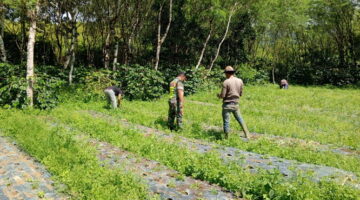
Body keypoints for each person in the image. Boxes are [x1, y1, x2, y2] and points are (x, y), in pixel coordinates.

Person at [218, 66, 250, 139]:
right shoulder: (240, 81)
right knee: (240, 119)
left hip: (227, 105)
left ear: (227, 73)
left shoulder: (226, 82)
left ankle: (226, 137)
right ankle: (247, 134)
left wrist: (219, 96)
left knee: (226, 122)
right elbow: (241, 93)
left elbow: (223, 95)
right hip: (236, 104)